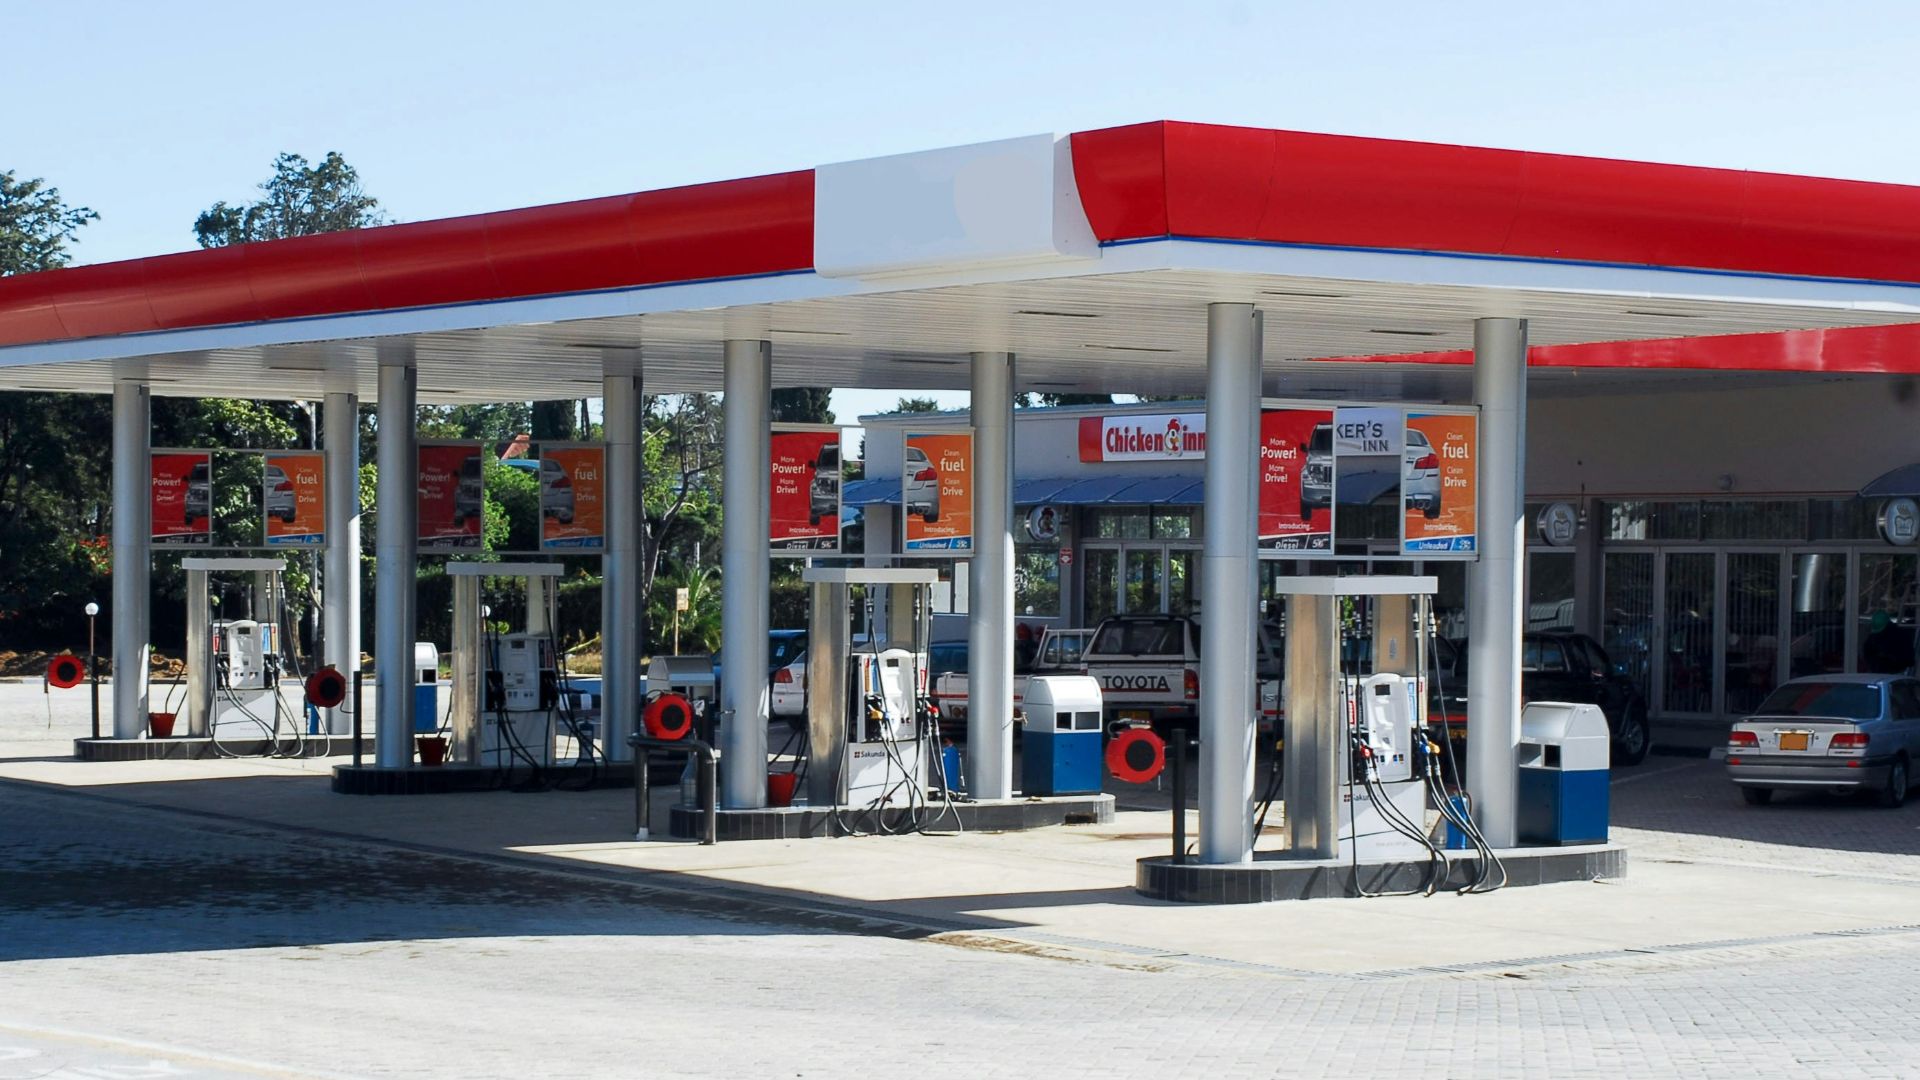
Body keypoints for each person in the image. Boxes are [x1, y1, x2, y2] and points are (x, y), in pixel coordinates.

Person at [1861, 610, 1915, 675]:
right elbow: (1867, 652)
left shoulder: (1900, 637)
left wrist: (1888, 656)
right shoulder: (1873, 638)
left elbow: (1908, 659)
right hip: (1878, 672)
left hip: (1897, 672)